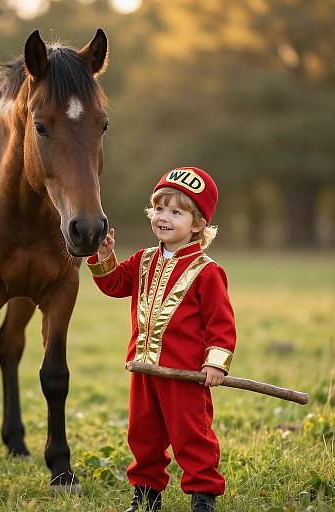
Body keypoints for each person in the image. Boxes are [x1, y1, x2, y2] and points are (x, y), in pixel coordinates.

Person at [86, 167, 236, 512]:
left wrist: (216, 363)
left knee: (192, 435)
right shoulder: (143, 260)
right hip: (144, 370)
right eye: (159, 209)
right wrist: (104, 254)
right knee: (143, 436)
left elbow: (221, 323)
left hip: (184, 375)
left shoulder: (207, 271)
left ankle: (203, 497)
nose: (163, 218)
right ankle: (146, 495)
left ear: (198, 224)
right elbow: (113, 285)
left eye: (176, 212)